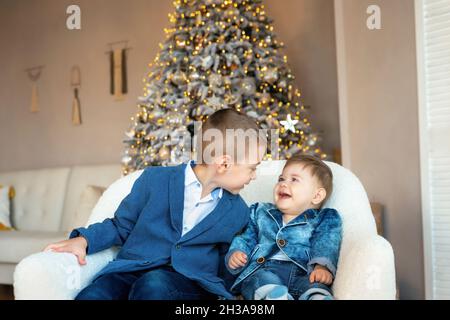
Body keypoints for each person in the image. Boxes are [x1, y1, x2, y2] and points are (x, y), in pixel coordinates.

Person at [44, 108, 267, 300]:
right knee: (95, 295)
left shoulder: (237, 211)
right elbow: (120, 225)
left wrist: (233, 264)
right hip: (131, 269)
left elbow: (224, 260)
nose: (254, 176)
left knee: (154, 285)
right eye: (252, 168)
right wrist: (84, 240)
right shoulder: (154, 180)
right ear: (224, 163)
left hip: (187, 282)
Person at [226, 154, 342, 300]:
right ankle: (275, 297)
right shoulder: (260, 212)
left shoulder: (323, 217)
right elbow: (247, 235)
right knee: (259, 280)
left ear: (317, 196)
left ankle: (317, 297)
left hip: (304, 273)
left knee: (315, 285)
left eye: (294, 180)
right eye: (281, 179)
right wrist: (238, 252)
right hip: (265, 269)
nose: (283, 184)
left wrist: (322, 267)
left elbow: (326, 241)